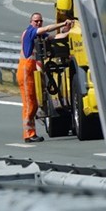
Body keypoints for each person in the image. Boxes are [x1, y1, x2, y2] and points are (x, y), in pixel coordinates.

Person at [17, 12, 72, 143]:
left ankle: (30, 133)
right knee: (30, 103)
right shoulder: (31, 31)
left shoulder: (39, 34)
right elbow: (47, 29)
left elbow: (54, 37)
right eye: (36, 21)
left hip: (30, 70)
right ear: (31, 22)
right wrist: (62, 23)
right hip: (25, 70)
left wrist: (68, 32)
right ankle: (29, 134)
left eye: (40, 21)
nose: (39, 23)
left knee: (33, 103)